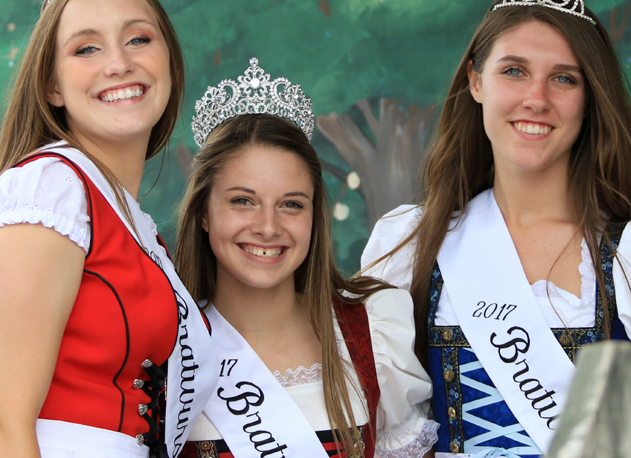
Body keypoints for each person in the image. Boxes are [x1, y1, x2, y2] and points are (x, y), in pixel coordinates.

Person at [361, 0, 631, 458]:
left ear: (590, 98)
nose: (536, 99)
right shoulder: (413, 245)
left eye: (563, 78)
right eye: (514, 71)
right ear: (476, 81)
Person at [0, 0, 216, 458]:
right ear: (52, 86)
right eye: (86, 48)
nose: (119, 63)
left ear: (170, 60)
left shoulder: (129, 221)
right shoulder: (50, 188)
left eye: (139, 39)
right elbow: (2, 426)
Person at [174, 58, 439, 458]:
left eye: (291, 204)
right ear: (204, 213)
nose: (268, 227)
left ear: (315, 216)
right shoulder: (171, 348)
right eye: (243, 201)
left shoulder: (371, 334)